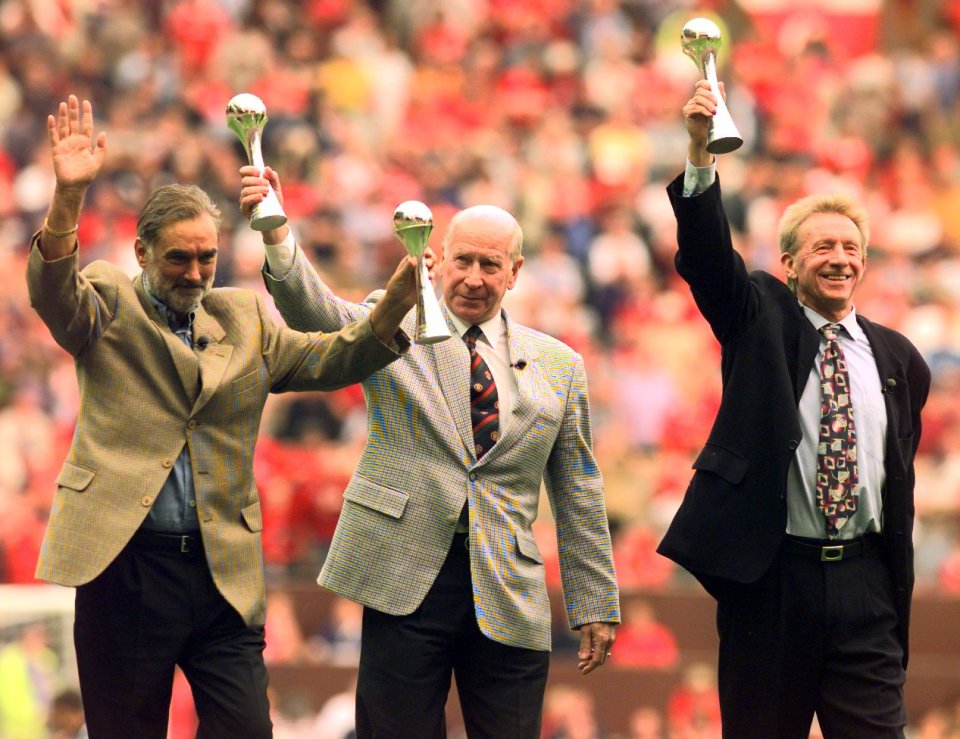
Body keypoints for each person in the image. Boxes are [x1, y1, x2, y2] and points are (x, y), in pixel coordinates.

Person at [27, 95, 422, 739]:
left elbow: (331, 360)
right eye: (178, 257)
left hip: (221, 571)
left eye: (206, 257)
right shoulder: (110, 299)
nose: (195, 271)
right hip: (124, 566)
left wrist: (389, 313)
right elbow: (54, 294)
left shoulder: (243, 317)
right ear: (142, 252)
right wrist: (68, 198)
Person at [240, 165, 620, 738]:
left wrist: (594, 599)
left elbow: (578, 489)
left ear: (514, 272)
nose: (472, 277)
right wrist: (275, 232)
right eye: (461, 260)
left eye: (489, 265)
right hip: (403, 574)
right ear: (437, 259)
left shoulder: (559, 365)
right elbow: (313, 314)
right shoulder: (396, 322)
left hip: (508, 586)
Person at [656, 79, 931, 738]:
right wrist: (700, 153)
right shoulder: (759, 316)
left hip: (867, 585)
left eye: (849, 248)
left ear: (864, 261)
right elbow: (705, 258)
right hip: (773, 582)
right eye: (822, 247)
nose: (838, 258)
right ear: (789, 262)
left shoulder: (900, 360)